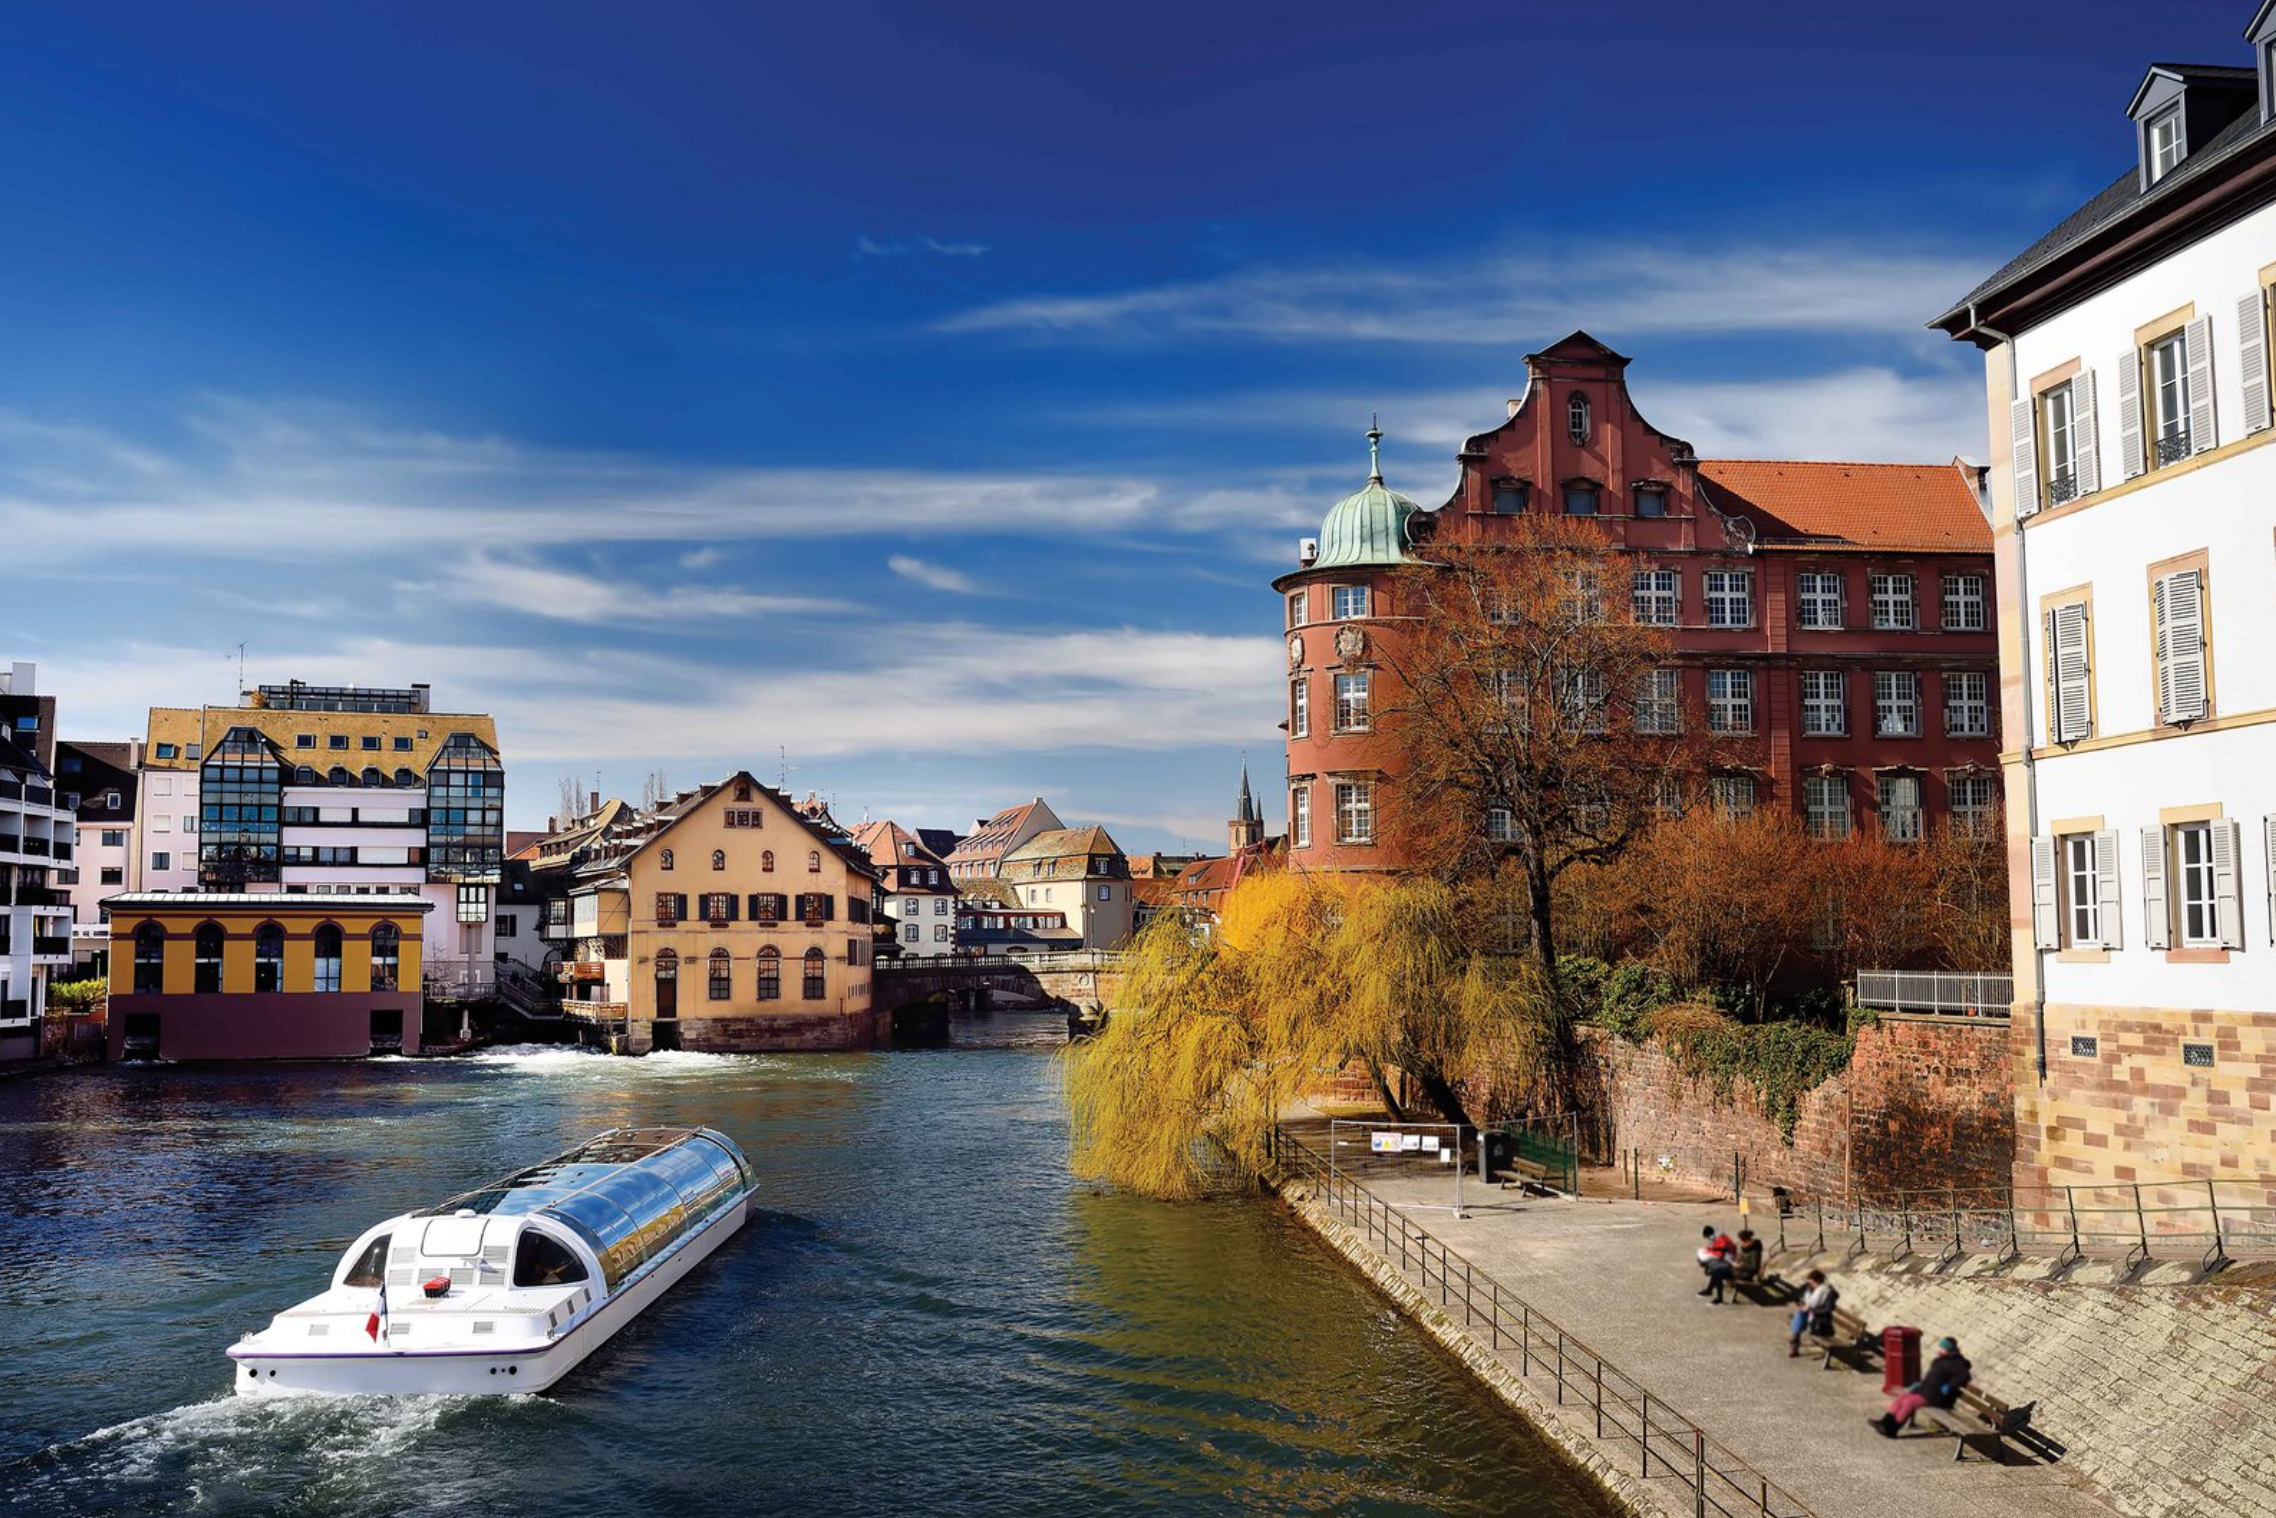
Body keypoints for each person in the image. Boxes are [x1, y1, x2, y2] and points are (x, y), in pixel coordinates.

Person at [1874, 1337, 1972, 1436]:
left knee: (1909, 1402)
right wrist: (1919, 1385)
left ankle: (1893, 1428)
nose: (1940, 1350)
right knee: (1901, 1397)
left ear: (1949, 1349)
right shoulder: (1941, 1360)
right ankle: (1884, 1423)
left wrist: (1949, 1385)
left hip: (1938, 1397)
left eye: (1943, 1348)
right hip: (1927, 1391)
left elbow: (1965, 1376)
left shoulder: (1957, 1362)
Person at [1787, 1270, 1836, 1356]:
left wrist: (1810, 1310)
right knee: (1800, 1314)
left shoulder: (1827, 1292)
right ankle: (1794, 1345)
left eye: (1812, 1283)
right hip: (1811, 1316)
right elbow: (1797, 1296)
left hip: (1821, 1321)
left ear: (1818, 1281)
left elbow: (1827, 1310)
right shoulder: (1810, 1288)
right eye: (1810, 1283)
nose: (1810, 1284)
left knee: (1799, 1315)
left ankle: (1794, 1346)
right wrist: (1801, 1304)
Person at [1696, 1225, 1736, 1302]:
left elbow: (1722, 1248)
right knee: (1701, 1251)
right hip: (1722, 1254)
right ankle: (1709, 1290)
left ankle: (1717, 1296)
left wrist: (1712, 1249)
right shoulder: (1716, 1236)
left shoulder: (1719, 1237)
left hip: (1726, 1256)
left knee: (1716, 1270)